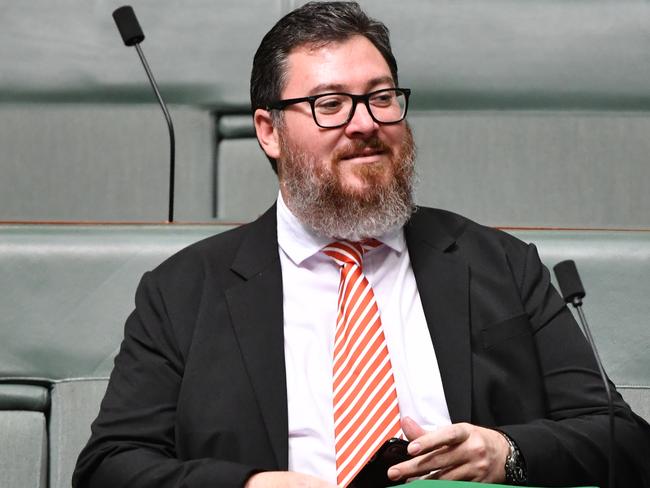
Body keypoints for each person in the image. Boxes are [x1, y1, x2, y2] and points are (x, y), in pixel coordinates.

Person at [73, 2, 650, 487]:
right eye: (330, 104)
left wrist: (507, 453)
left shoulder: (498, 264)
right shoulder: (181, 291)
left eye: (381, 97)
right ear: (269, 131)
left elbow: (622, 439)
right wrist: (248, 485)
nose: (365, 123)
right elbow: (108, 467)